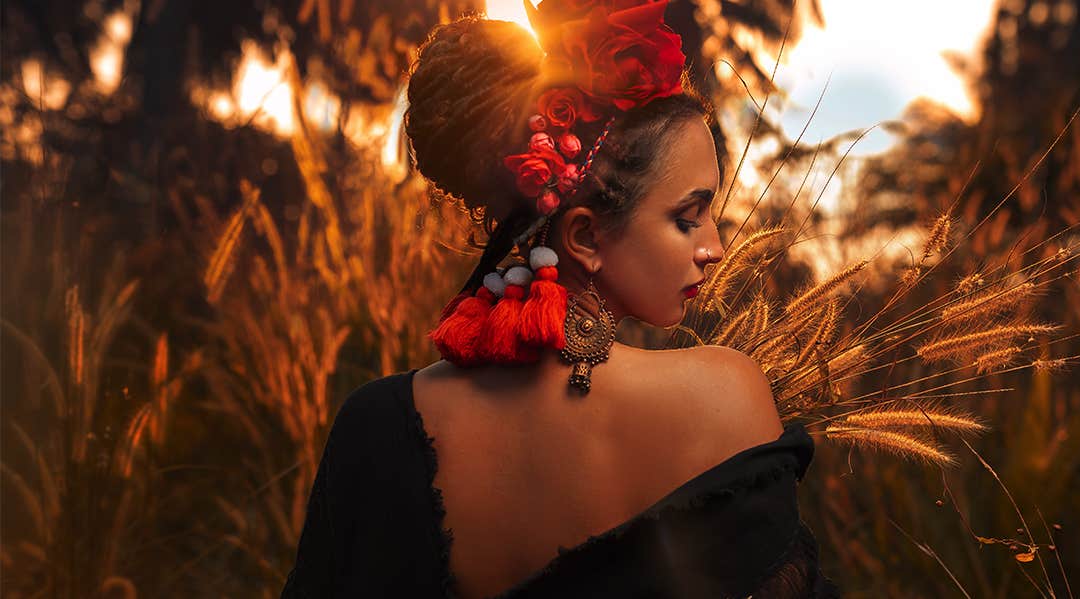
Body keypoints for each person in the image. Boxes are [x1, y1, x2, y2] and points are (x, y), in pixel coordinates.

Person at [281, 1, 838, 597]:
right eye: (688, 218)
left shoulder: (381, 425)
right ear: (584, 237)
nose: (715, 248)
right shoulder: (729, 394)